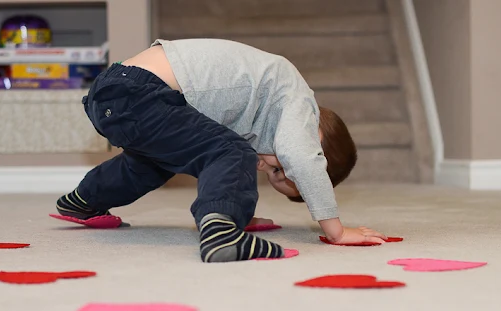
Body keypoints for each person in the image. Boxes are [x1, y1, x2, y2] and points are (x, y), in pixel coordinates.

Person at [55, 38, 387, 262]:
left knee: (154, 162)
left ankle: (84, 200)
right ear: (316, 141)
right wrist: (337, 231)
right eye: (279, 167)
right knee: (233, 153)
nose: (268, 165)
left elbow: (220, 169)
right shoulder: (297, 99)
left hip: (112, 94)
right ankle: (221, 235)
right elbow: (299, 155)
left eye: (274, 174)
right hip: (140, 91)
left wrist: (240, 209)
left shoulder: (258, 103)